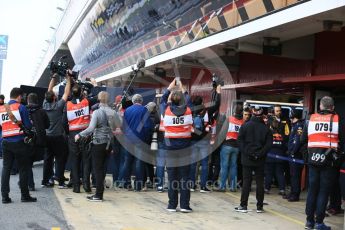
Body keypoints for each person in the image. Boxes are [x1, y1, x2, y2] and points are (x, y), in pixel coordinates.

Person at [301, 96, 344, 230]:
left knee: (312, 190)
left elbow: (303, 140)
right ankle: (319, 223)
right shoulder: (338, 119)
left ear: (320, 106)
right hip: (329, 162)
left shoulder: (310, 119)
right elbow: (342, 142)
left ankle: (309, 222)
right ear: (332, 107)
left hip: (313, 160)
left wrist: (307, 155)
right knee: (323, 192)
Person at [75, 91, 115, 201]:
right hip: (109, 143)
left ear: (99, 99)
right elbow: (118, 126)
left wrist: (79, 134)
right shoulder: (112, 112)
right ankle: (99, 192)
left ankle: (98, 194)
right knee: (103, 169)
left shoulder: (97, 112)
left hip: (98, 143)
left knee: (97, 169)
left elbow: (91, 128)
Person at [0, 88, 36, 203]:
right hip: (19, 142)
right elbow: (28, 126)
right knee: (23, 169)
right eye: (21, 97)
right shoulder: (21, 107)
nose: (22, 99)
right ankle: (24, 196)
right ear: (18, 96)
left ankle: (5, 197)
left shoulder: (1, 108)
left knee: (6, 169)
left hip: (5, 142)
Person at [162, 79, 193, 213]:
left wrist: (170, 88)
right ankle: (185, 205)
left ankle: (172, 205)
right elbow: (188, 99)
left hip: (170, 149)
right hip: (185, 148)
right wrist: (181, 87)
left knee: (172, 177)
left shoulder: (166, 110)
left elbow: (163, 98)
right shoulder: (188, 110)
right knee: (185, 177)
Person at [235, 106, 272, 213]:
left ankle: (243, 205)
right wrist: (259, 154)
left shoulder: (245, 126)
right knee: (260, 182)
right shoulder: (266, 129)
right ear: (262, 115)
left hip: (247, 158)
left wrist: (248, 153)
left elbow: (240, 141)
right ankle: (259, 206)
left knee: (246, 181)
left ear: (252, 114)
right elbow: (269, 145)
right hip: (260, 159)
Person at [42, 72, 71, 188]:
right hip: (58, 137)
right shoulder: (58, 106)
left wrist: (53, 77)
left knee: (48, 159)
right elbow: (66, 92)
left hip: (47, 137)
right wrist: (68, 79)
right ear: (54, 98)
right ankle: (60, 181)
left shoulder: (45, 104)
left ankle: (46, 180)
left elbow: (49, 90)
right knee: (60, 158)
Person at [120, 94, 153, 191]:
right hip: (140, 139)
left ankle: (126, 184)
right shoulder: (144, 110)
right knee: (139, 162)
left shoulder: (127, 110)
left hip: (128, 139)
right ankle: (138, 186)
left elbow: (123, 126)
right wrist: (146, 139)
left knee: (127, 162)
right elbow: (147, 126)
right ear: (141, 101)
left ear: (133, 101)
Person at [67, 84, 93, 193]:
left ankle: (76, 187)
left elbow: (64, 121)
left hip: (73, 135)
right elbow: (96, 97)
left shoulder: (67, 105)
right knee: (86, 160)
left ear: (72, 93)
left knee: (75, 161)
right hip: (85, 134)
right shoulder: (86, 102)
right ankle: (87, 185)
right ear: (81, 92)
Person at [26, 93, 50, 191]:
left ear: (28, 100)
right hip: (41, 140)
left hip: (29, 140)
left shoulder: (24, 110)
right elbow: (47, 125)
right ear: (37, 101)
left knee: (28, 163)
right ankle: (45, 180)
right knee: (47, 159)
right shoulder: (42, 111)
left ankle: (30, 184)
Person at [218, 104, 243, 192]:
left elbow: (222, 133)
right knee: (233, 167)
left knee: (224, 166)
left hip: (227, 145)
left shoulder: (229, 119)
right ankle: (233, 187)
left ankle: (222, 186)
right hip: (237, 147)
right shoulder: (243, 122)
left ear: (234, 111)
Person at [189, 96, 211, 193]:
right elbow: (208, 125)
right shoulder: (205, 112)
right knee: (205, 164)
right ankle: (203, 186)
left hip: (193, 141)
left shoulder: (190, 111)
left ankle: (192, 185)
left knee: (193, 164)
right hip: (204, 141)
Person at [264, 117, 287, 196]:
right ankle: (282, 189)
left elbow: (266, 144)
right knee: (280, 173)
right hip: (280, 157)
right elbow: (284, 145)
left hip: (270, 156)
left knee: (269, 173)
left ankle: (267, 188)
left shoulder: (268, 133)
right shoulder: (281, 133)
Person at [285, 109, 304, 202]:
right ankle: (292, 192)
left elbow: (298, 140)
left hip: (296, 155)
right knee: (292, 175)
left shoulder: (299, 126)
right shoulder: (294, 125)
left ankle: (295, 194)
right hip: (291, 153)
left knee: (296, 175)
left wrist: (293, 151)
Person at [0, 94, 5, 159]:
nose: (2, 100)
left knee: (1, 140)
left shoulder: (5, 106)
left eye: (2, 99)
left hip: (2, 126)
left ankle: (1, 153)